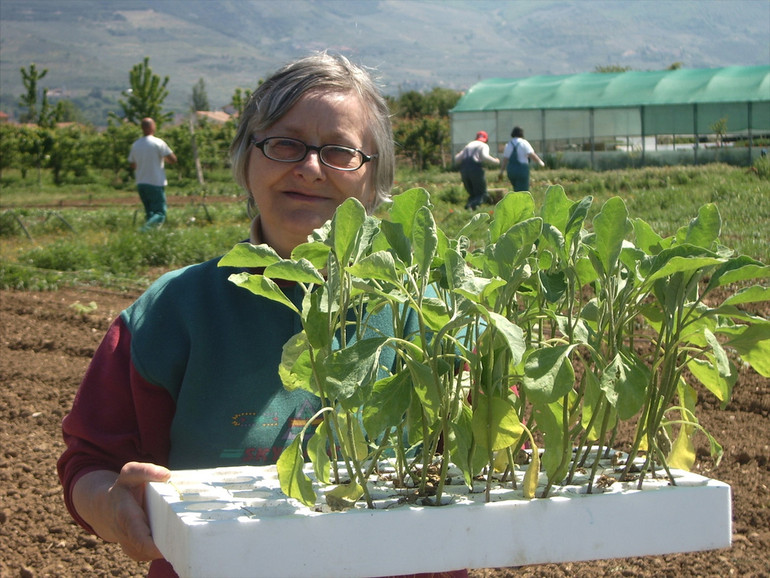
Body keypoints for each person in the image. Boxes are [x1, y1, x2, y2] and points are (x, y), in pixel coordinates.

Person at [58, 53, 467, 578]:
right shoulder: (171, 311)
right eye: (284, 143)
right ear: (246, 162)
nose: (310, 167)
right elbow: (90, 462)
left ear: (375, 179)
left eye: (341, 151)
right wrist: (112, 502)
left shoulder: (439, 315)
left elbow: (494, 452)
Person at [128, 117, 177, 231]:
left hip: (141, 182)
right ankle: (143, 231)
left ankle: (152, 235)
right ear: (152, 127)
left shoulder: (136, 145)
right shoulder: (158, 142)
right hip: (155, 182)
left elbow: (132, 164)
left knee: (149, 212)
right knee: (160, 212)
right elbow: (173, 159)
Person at [454, 130, 500, 210]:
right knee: (482, 194)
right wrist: (496, 161)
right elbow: (484, 157)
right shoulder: (483, 145)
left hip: (464, 171)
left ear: (476, 138)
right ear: (486, 139)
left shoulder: (469, 145)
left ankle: (468, 210)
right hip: (475, 170)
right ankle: (471, 207)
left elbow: (457, 159)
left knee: (473, 194)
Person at [499, 126, 545, 192]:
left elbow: (505, 160)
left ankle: (515, 201)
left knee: (516, 189)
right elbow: (532, 155)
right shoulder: (524, 143)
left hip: (511, 170)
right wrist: (540, 163)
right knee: (523, 191)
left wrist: (501, 172)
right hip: (522, 170)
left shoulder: (508, 144)